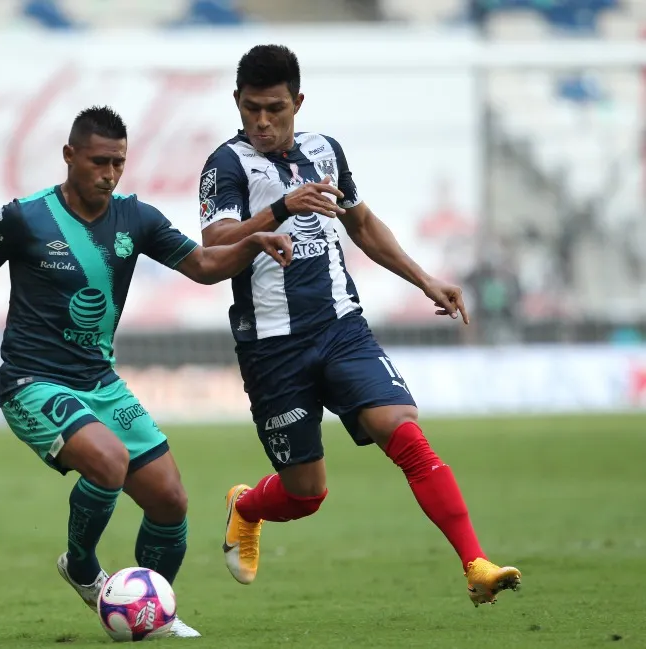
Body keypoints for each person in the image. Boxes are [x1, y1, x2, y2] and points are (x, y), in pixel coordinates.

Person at [0, 105, 293, 636]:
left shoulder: (137, 217)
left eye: (119, 163)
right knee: (107, 462)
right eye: (99, 162)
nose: (109, 174)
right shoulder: (23, 216)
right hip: (31, 382)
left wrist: (250, 242)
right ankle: (83, 568)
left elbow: (203, 267)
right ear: (69, 156)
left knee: (171, 502)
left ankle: (147, 610)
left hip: (99, 382)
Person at [199, 45, 521, 607]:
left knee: (403, 431)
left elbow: (362, 223)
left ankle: (476, 563)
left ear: (298, 102)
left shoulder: (326, 152)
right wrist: (278, 212)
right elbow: (214, 245)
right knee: (306, 494)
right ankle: (247, 507)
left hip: (341, 328)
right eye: (251, 108)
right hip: (272, 347)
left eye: (275, 108)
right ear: (237, 102)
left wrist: (425, 279)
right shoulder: (226, 165)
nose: (262, 121)